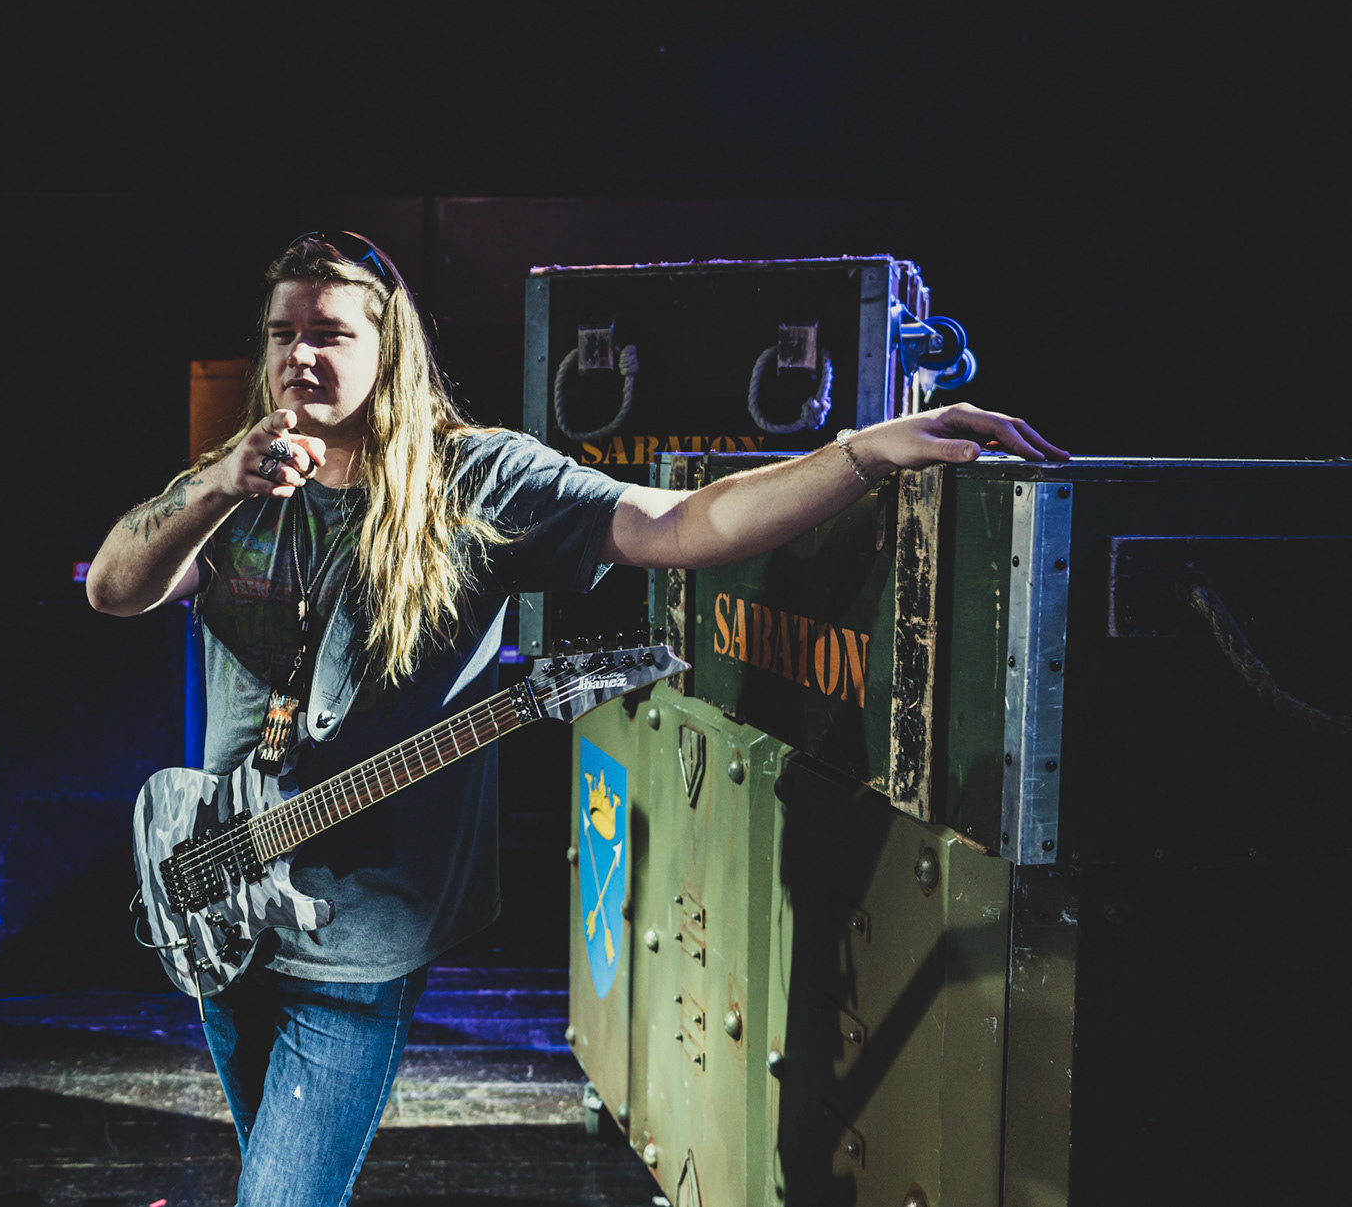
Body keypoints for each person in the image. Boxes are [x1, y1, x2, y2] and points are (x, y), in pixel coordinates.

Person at [86, 231, 1066, 1205]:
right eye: (282, 333)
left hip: (355, 945)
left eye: (330, 332)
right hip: (220, 898)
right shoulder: (236, 487)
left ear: (391, 350)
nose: (300, 355)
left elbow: (681, 524)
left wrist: (860, 453)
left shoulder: (478, 481)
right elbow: (115, 589)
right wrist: (215, 483)